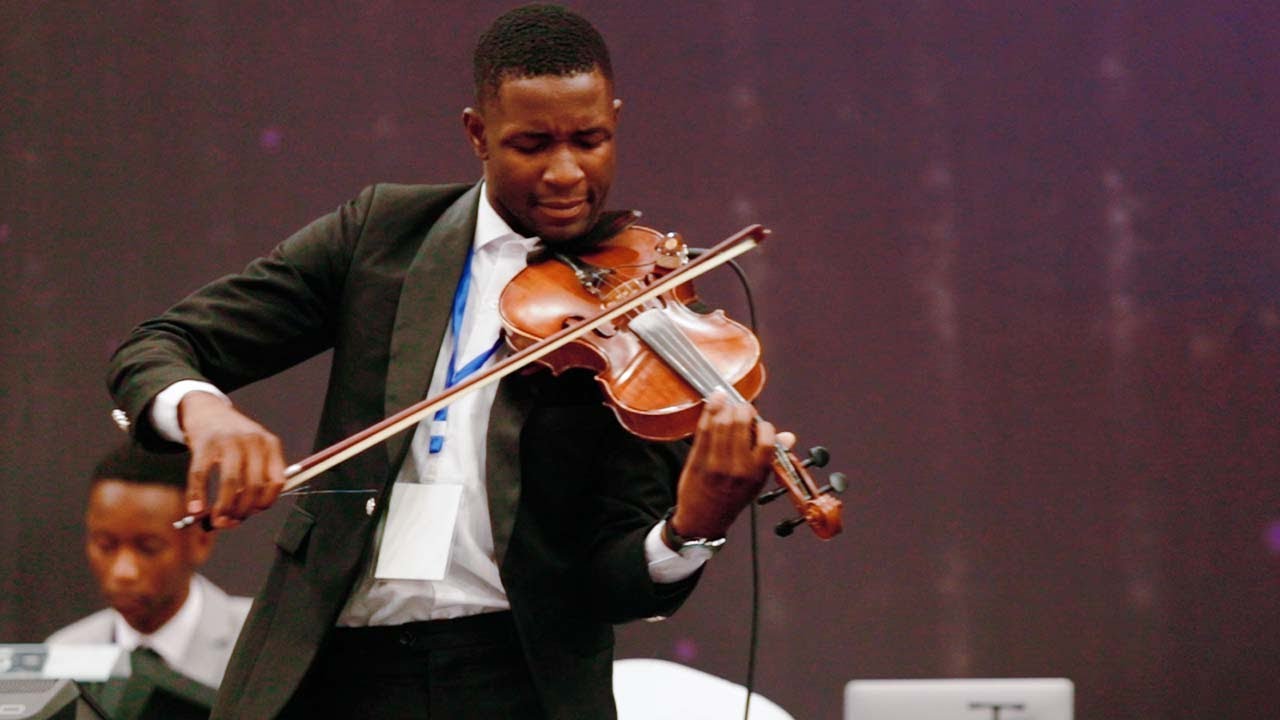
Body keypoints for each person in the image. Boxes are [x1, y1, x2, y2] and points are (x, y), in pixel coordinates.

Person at [106, 4, 786, 719]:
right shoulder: (381, 238)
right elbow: (158, 346)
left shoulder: (642, 318)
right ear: (477, 135)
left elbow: (614, 584)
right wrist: (205, 412)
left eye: (591, 140)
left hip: (514, 678)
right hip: (334, 665)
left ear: (615, 121)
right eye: (532, 144)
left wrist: (690, 528)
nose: (565, 173)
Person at [46, 442, 251, 691]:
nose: (124, 571)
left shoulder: (259, 644)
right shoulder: (63, 657)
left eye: (148, 548)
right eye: (105, 545)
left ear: (201, 541)